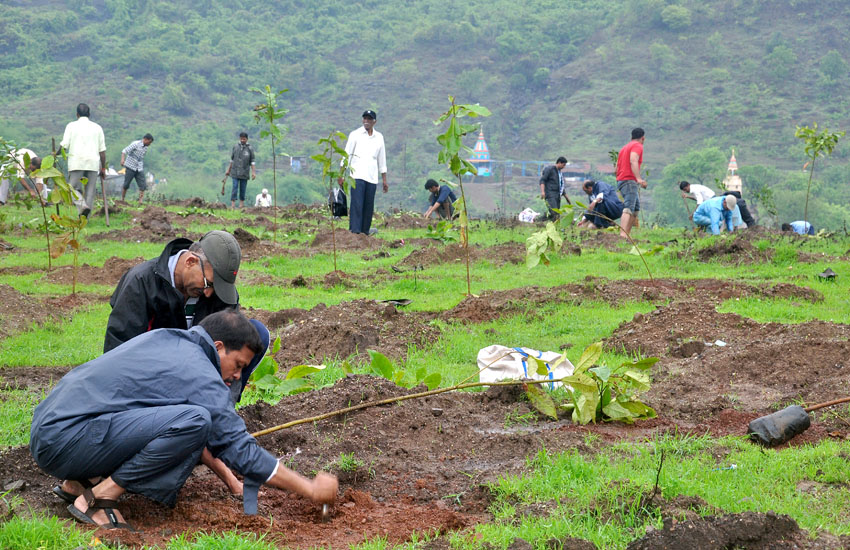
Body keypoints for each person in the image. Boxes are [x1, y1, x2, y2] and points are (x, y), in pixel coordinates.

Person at [30, 310, 338, 530]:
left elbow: (178, 431)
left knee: (192, 420)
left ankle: (78, 483)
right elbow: (233, 444)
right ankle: (99, 498)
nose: (236, 376)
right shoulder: (200, 373)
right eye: (239, 365)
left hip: (52, 431)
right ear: (218, 347)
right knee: (196, 419)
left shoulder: (169, 341)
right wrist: (308, 488)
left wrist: (232, 482)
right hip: (65, 441)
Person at [339, 110, 388, 235]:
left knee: (368, 206)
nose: (366, 121)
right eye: (364, 118)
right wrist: (341, 175)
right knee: (357, 204)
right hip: (357, 175)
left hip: (372, 177)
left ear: (374, 122)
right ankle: (355, 232)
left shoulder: (379, 137)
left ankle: (364, 232)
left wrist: (384, 180)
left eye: (369, 119)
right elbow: (346, 156)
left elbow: (381, 159)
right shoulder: (355, 135)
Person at [58, 103, 106, 218]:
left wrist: (55, 154)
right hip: (93, 163)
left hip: (76, 162)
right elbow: (102, 151)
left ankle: (82, 206)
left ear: (77, 114)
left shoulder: (71, 126)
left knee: (72, 188)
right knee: (90, 191)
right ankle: (85, 219)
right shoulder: (97, 127)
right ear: (89, 114)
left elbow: (64, 146)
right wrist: (103, 167)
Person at [615, 128, 646, 238]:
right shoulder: (637, 146)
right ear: (643, 138)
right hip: (629, 180)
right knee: (628, 207)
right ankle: (623, 235)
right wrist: (638, 178)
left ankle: (627, 234)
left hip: (622, 179)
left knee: (636, 208)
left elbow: (616, 168)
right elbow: (633, 160)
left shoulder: (624, 148)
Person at [225, 132, 256, 209]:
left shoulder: (250, 148)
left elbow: (252, 161)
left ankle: (241, 205)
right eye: (241, 138)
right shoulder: (235, 147)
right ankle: (232, 205)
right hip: (234, 171)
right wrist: (228, 170)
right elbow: (232, 159)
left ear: (247, 139)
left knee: (243, 188)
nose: (242, 140)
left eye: (244, 139)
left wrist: (253, 172)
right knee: (234, 187)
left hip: (244, 172)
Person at [120, 134, 154, 203]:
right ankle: (122, 199)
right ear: (145, 139)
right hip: (130, 166)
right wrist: (122, 160)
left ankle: (140, 201)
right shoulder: (135, 144)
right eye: (149, 142)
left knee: (143, 185)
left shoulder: (146, 147)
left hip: (139, 168)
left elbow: (141, 158)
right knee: (126, 184)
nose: (149, 144)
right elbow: (124, 151)